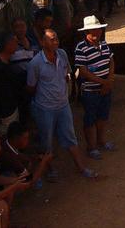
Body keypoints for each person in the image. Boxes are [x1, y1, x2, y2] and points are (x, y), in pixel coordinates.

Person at [26, 29, 97, 179]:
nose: (56, 42)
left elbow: (67, 75)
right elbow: (31, 87)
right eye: (52, 39)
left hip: (63, 105)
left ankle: (81, 168)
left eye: (56, 39)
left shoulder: (63, 55)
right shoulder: (35, 64)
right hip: (45, 108)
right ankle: (50, 170)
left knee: (70, 137)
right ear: (42, 42)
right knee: (47, 142)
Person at [75, 16, 115, 161]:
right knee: (90, 119)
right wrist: (105, 82)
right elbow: (84, 71)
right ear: (87, 32)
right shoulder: (81, 47)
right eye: (93, 30)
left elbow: (111, 61)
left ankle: (101, 141)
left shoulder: (103, 44)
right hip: (90, 91)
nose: (96, 33)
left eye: (98, 30)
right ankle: (91, 147)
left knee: (103, 116)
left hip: (105, 88)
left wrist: (109, 80)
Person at [0, 122, 53, 188]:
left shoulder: (5, 139)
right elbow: (30, 181)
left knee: (27, 161)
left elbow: (18, 155)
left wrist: (35, 158)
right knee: (18, 177)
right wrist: (44, 162)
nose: (27, 140)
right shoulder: (12, 160)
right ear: (16, 139)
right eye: (25, 138)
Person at [0, 32, 22, 135]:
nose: (17, 44)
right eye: (15, 42)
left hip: (12, 109)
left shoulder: (8, 61)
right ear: (8, 45)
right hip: (2, 114)